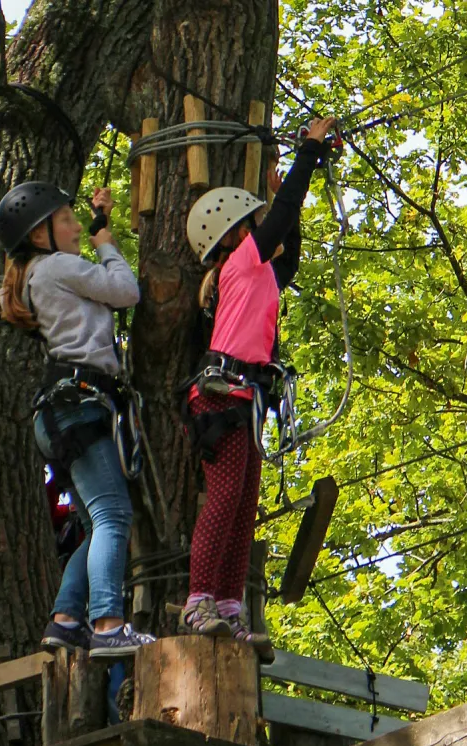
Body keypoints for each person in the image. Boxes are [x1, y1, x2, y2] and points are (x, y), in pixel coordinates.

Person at [180, 116, 339, 660]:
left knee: (243, 507)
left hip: (246, 397)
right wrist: (308, 151)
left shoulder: (261, 272)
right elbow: (286, 216)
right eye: (253, 223)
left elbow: (288, 251)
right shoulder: (239, 265)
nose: (262, 232)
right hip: (224, 396)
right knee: (223, 503)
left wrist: (283, 191)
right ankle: (198, 601)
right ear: (234, 234)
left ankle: (227, 607)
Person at [0, 181, 156, 658]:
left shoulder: (38, 274)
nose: (76, 228)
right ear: (41, 233)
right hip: (80, 404)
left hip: (59, 413)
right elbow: (126, 292)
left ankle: (66, 620)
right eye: (66, 220)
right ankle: (107, 623)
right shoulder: (59, 266)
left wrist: (99, 223)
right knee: (114, 514)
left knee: (94, 523)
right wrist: (105, 244)